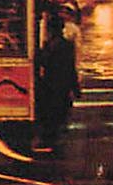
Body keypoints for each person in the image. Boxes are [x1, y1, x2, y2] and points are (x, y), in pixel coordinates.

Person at [34, 16, 80, 151]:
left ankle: (50, 137)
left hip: (51, 83)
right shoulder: (67, 45)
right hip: (62, 84)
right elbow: (71, 67)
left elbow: (43, 61)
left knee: (52, 112)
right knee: (60, 112)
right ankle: (54, 137)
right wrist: (75, 86)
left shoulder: (49, 46)